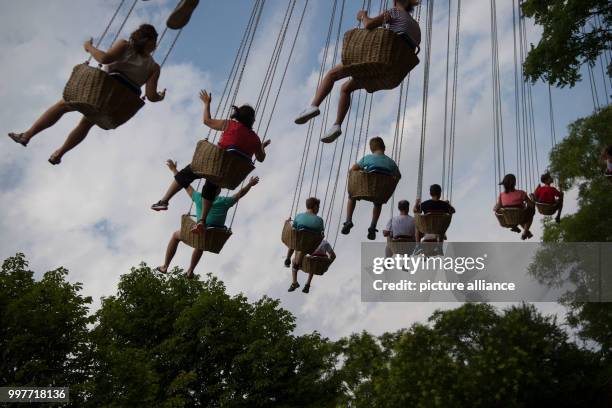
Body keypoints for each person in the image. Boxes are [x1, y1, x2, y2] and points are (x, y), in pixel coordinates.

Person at [8, 24, 166, 165]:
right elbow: (151, 96)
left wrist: (88, 46)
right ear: (150, 41)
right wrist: (160, 96)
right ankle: (59, 154)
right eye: (155, 41)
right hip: (114, 106)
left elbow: (104, 59)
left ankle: (27, 135)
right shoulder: (154, 67)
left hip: (100, 92)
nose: (155, 45)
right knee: (86, 124)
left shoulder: (125, 46)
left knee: (63, 105)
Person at [294, 0, 420, 144]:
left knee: (332, 74)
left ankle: (314, 106)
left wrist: (363, 16)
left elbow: (369, 25)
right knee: (346, 88)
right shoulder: (416, 27)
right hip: (392, 73)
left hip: (379, 59)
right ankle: (336, 126)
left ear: (394, 1)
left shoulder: (394, 12)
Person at [151, 89, 271, 234]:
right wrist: (262, 147)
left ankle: (164, 201)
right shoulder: (255, 139)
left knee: (186, 174)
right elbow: (261, 158)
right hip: (229, 175)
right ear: (252, 121)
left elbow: (207, 121)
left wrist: (207, 103)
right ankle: (202, 221)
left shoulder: (231, 125)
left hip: (215, 164)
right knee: (210, 187)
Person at [156, 159, 259, 279]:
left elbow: (185, 185)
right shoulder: (224, 201)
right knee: (200, 245)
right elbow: (240, 193)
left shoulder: (199, 198)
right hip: (211, 236)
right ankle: (190, 270)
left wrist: (173, 169)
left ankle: (165, 266)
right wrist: (250, 185)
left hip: (199, 232)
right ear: (219, 191)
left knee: (175, 236)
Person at [342, 137, 400, 240]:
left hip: (367, 188)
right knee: (378, 203)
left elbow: (353, 169)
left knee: (352, 196)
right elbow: (398, 175)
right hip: (381, 192)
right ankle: (373, 226)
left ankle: (348, 220)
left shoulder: (367, 158)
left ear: (371, 148)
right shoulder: (391, 162)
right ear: (384, 147)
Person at [287, 197, 325, 292]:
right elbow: (321, 234)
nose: (318, 209)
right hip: (310, 246)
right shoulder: (320, 220)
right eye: (318, 207)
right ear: (315, 206)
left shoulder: (299, 216)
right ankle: (296, 279)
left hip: (299, 242)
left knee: (294, 242)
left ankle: (288, 260)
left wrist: (287, 223)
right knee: (301, 246)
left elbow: (293, 230)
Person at [493, 173, 535, 240]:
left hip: (508, 219)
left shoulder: (501, 195)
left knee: (505, 212)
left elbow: (496, 208)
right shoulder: (521, 193)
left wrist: (496, 207)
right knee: (531, 210)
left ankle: (514, 226)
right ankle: (525, 231)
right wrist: (533, 199)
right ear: (514, 183)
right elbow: (531, 205)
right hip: (520, 216)